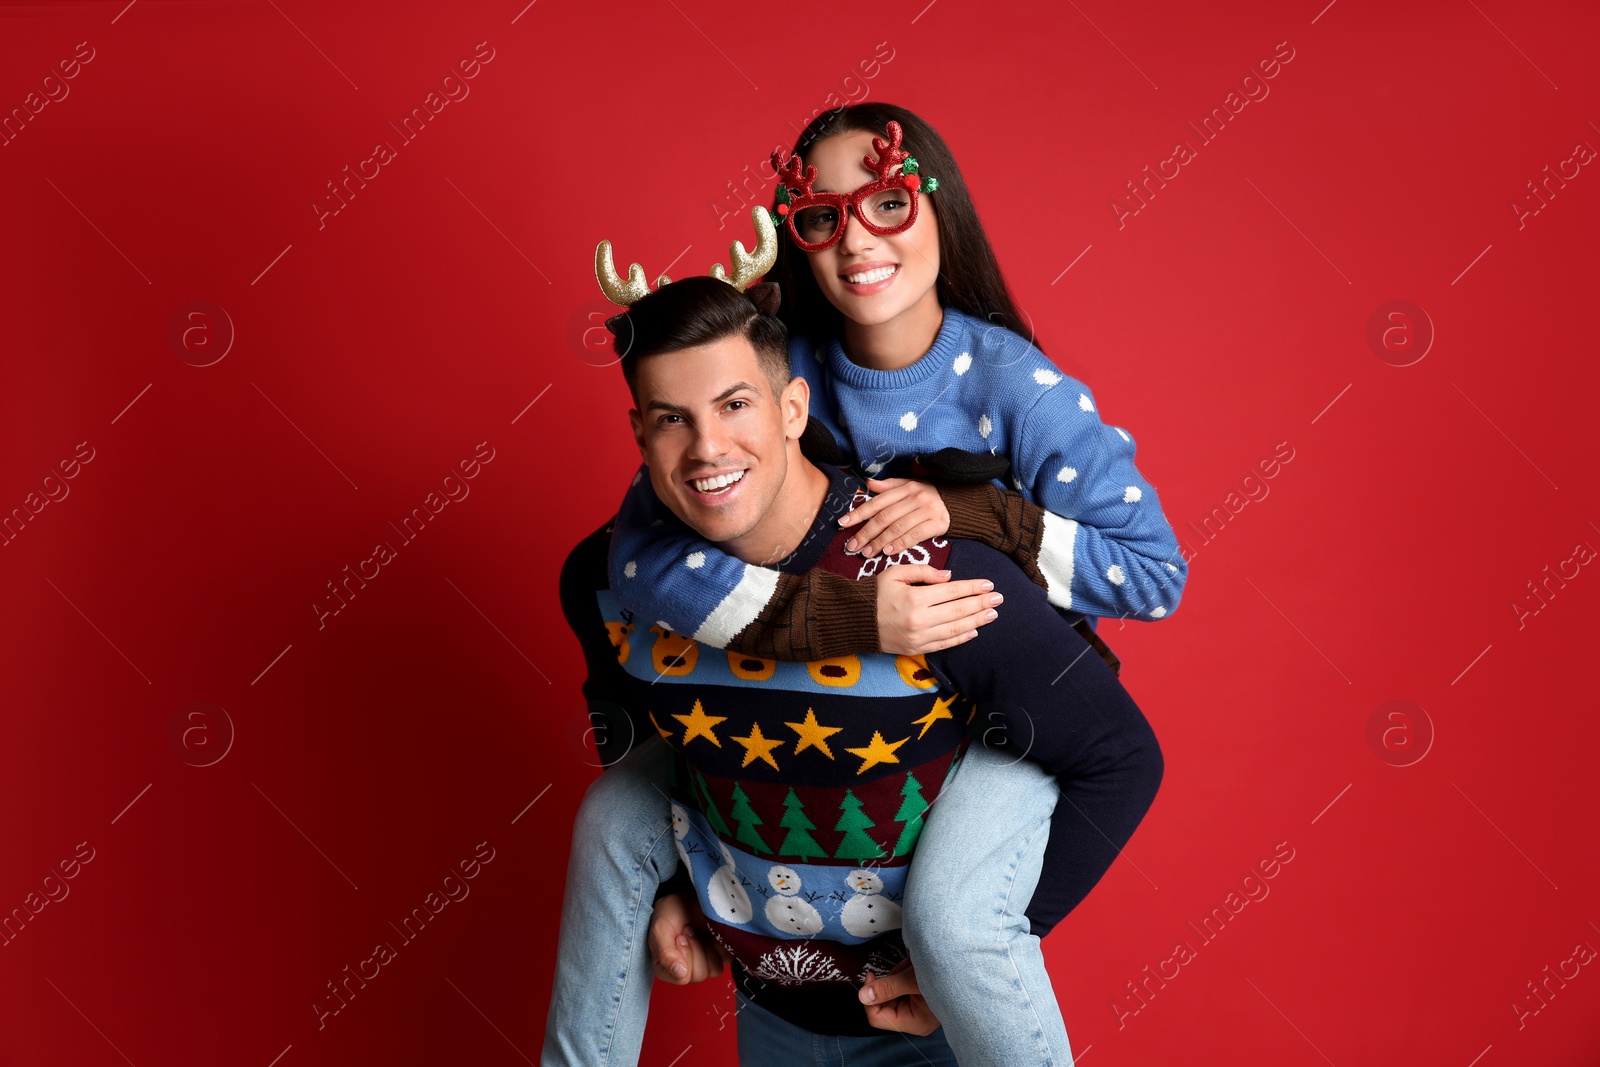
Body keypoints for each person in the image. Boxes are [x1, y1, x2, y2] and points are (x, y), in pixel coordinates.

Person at [547, 273, 1163, 1065]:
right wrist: (665, 890)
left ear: (794, 408)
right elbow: (629, 721)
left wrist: (978, 944)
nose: (706, 447)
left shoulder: (932, 575)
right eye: (673, 419)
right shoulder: (605, 583)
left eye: (736, 404)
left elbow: (1119, 755)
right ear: (641, 436)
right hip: (772, 1015)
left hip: (930, 1023)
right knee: (608, 811)